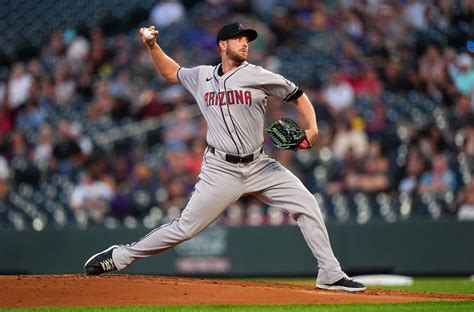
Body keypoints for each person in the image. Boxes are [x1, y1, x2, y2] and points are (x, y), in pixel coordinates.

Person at [84, 22, 366, 292]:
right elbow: (172, 73)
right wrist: (152, 45)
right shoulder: (202, 76)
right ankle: (120, 256)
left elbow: (298, 96)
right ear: (223, 44)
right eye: (239, 38)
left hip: (259, 165)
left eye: (247, 40)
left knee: (306, 204)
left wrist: (312, 128)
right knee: (185, 228)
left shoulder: (257, 74)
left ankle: (330, 273)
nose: (245, 43)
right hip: (221, 169)